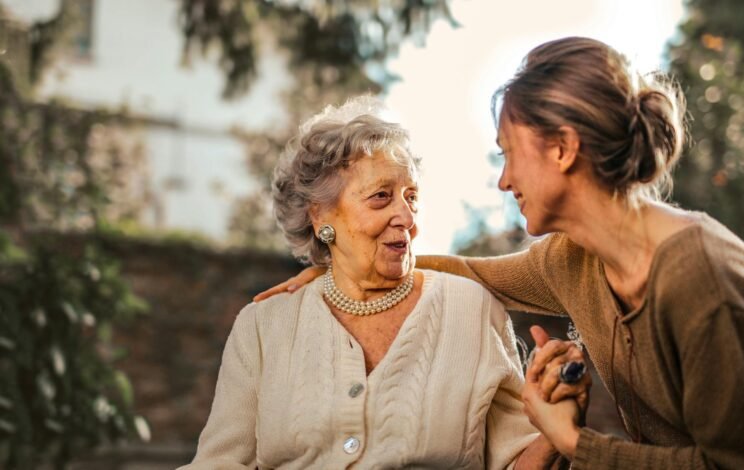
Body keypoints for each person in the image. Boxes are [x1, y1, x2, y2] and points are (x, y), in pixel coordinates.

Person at [254, 38, 744, 469]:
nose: (504, 180)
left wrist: (575, 443)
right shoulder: (572, 259)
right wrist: (340, 270)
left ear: (562, 148)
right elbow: (468, 271)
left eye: (509, 154)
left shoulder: (703, 280)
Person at [181, 97, 590, 469]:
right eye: (381, 197)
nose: (407, 218)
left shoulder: (472, 309)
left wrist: (557, 431)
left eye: (411, 197)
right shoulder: (262, 326)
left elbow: (516, 462)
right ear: (321, 217)